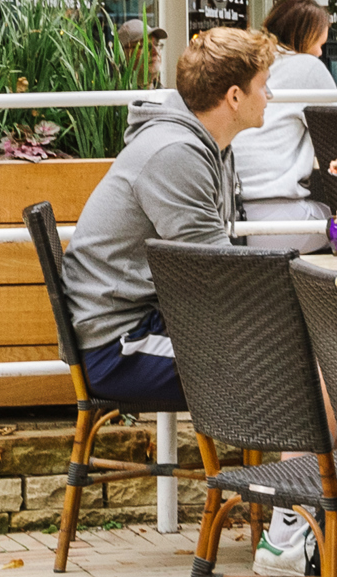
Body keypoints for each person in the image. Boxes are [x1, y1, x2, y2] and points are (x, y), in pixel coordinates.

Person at [61, 25, 281, 408]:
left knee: (304, 351)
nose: (270, 96)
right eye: (263, 85)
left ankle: (304, 468)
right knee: (288, 365)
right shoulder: (175, 153)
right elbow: (217, 273)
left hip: (144, 321)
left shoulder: (200, 145)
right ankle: (305, 470)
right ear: (234, 96)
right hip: (119, 347)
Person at [231, 0, 333, 221]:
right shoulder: (308, 66)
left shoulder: (247, 65)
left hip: (231, 210)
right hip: (278, 211)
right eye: (319, 45)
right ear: (303, 39)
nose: (319, 54)